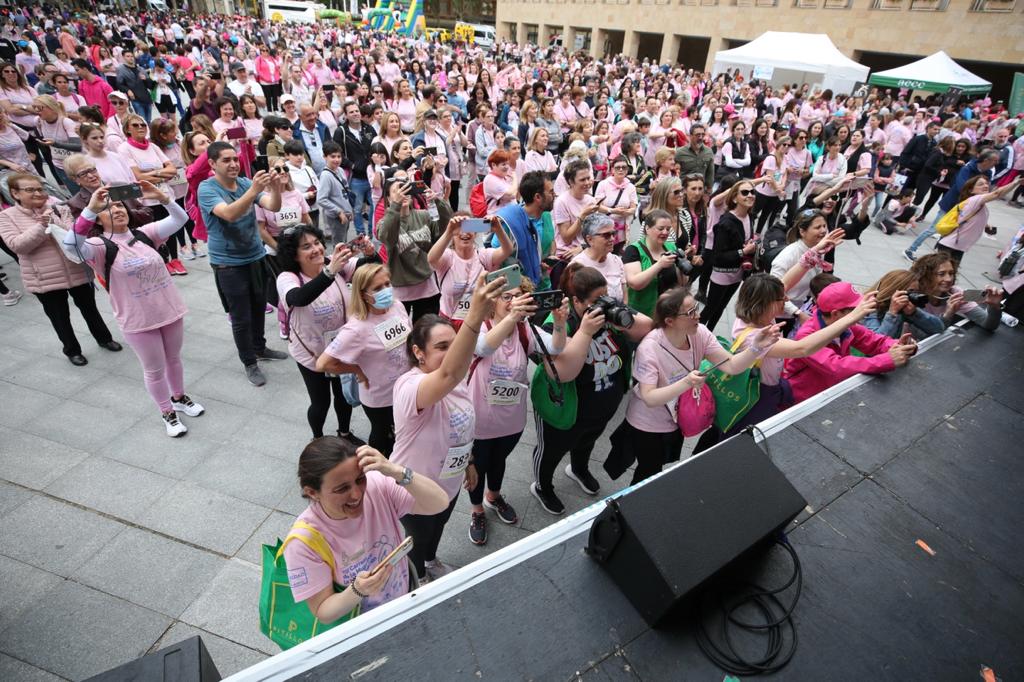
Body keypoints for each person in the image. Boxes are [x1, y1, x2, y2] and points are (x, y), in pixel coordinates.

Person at [64, 182, 203, 437]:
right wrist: (90, 210)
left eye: (119, 205)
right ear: (99, 217)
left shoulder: (145, 233)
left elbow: (181, 218)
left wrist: (163, 197)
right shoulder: (97, 246)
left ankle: (180, 398)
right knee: (154, 369)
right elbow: (71, 245)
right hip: (137, 320)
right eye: (108, 208)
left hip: (169, 311)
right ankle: (166, 412)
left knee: (174, 359)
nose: (116, 210)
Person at [390, 275, 505, 580]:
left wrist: (467, 462)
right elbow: (449, 374)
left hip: (449, 482)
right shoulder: (409, 386)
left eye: (454, 346)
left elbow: (462, 428)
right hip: (414, 492)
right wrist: (475, 317)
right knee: (415, 543)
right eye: (442, 347)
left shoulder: (458, 381)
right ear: (418, 353)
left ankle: (430, 563)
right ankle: (416, 581)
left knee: (437, 531)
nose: (452, 353)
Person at [605, 286, 783, 483]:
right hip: (647, 423)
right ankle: (629, 508)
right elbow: (649, 397)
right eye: (690, 312)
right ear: (670, 321)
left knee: (656, 469)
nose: (697, 315)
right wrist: (687, 382)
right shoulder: (649, 349)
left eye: (696, 308)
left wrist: (757, 346)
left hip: (675, 418)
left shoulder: (700, 333)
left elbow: (731, 365)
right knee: (648, 471)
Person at [694, 275, 881, 452]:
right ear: (766, 304)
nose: (786, 301)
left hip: (762, 390)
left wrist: (811, 254)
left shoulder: (756, 318)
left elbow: (782, 285)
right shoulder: (756, 336)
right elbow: (802, 349)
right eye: (781, 299)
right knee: (737, 441)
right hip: (755, 398)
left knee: (723, 433)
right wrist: (852, 317)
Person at [530, 264, 654, 515]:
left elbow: (647, 326)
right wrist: (586, 331)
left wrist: (619, 313)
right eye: (597, 301)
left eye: (606, 297)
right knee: (551, 450)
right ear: (577, 301)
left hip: (601, 406)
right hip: (564, 410)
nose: (604, 306)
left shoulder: (609, 314)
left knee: (587, 441)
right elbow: (565, 372)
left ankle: (578, 468)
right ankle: (542, 486)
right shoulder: (558, 322)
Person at [284, 438, 449, 620]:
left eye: (360, 479)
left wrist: (396, 471)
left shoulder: (376, 485)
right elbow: (323, 612)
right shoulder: (302, 543)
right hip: (363, 627)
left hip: (403, 599)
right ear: (312, 492)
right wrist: (358, 590)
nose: (356, 494)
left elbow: (439, 502)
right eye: (342, 489)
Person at [467, 281, 568, 544]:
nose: (513, 301)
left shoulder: (526, 331)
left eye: (519, 297)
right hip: (480, 419)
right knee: (479, 464)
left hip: (511, 419)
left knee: (499, 460)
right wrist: (512, 317)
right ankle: (477, 510)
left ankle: (494, 496)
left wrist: (559, 322)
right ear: (492, 301)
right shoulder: (478, 327)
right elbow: (484, 347)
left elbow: (556, 347)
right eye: (506, 297)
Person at [0, 173, 122, 365]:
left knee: (90, 308)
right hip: (44, 278)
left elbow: (73, 234)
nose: (38, 193)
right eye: (30, 190)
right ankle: (72, 350)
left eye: (40, 188)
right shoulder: (6, 217)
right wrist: (41, 226)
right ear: (15, 193)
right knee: (59, 317)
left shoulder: (59, 207)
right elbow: (17, 246)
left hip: (75, 269)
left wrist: (53, 220)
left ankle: (104, 338)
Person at [198, 141, 290, 387]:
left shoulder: (246, 183)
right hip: (228, 264)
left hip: (256, 256)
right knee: (240, 316)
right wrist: (253, 191)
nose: (233, 164)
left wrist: (275, 188)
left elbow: (273, 206)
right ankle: (249, 362)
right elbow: (229, 213)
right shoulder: (207, 189)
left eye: (235, 159)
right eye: (226, 160)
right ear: (212, 164)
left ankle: (259, 348)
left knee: (259, 306)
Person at [276, 224, 375, 441]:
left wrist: (370, 254)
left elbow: (371, 269)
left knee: (342, 395)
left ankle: (344, 432)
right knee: (321, 402)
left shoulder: (332, 263)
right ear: (294, 255)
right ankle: (318, 439)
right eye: (306, 247)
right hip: (311, 354)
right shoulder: (288, 278)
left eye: (317, 243)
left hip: (340, 349)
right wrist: (330, 272)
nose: (316, 249)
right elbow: (298, 298)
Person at [317, 263, 410, 455]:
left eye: (387, 284)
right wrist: (356, 370)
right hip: (381, 397)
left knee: (403, 432)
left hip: (406, 387)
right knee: (382, 434)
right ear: (363, 294)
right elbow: (323, 363)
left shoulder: (398, 306)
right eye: (377, 288)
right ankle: (374, 471)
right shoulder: (356, 329)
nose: (386, 291)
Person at [784, 281, 917, 404]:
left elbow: (874, 341)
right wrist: (887, 360)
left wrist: (899, 346)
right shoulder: (806, 336)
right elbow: (837, 367)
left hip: (827, 393)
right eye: (855, 310)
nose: (860, 314)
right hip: (801, 401)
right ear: (836, 313)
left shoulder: (846, 325)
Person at [375, 177, 453, 321]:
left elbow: (445, 227)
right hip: (400, 287)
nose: (403, 194)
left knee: (425, 333)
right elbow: (386, 235)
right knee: (402, 333)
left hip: (427, 286)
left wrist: (437, 201)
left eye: (406, 189)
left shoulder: (423, 215)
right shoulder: (385, 221)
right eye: (397, 191)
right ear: (388, 197)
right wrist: (395, 207)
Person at [427, 215, 513, 325]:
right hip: (449, 321)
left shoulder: (483, 255)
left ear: (475, 233)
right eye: (460, 228)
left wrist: (498, 228)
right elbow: (431, 259)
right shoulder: (448, 257)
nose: (465, 233)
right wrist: (449, 232)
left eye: (470, 227)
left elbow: (507, 250)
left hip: (479, 322)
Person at [771, 210, 845, 324]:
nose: (823, 230)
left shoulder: (819, 250)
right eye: (818, 227)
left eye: (824, 226)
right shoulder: (789, 255)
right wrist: (797, 313)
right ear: (802, 231)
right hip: (778, 315)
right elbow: (772, 291)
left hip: (799, 311)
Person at [701, 180, 757, 332]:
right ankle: (694, 335)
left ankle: (708, 335)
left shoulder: (749, 217)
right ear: (734, 198)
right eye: (745, 192)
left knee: (721, 307)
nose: (750, 195)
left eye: (752, 192)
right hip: (722, 274)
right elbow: (719, 257)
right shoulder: (726, 223)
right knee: (711, 308)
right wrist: (744, 252)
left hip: (738, 273)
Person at [934, 175, 1020, 264]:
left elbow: (968, 219)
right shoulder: (975, 200)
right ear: (971, 190)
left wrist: (986, 225)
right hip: (950, 246)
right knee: (942, 274)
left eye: (986, 183)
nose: (986, 186)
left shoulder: (978, 204)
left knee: (946, 274)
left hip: (956, 246)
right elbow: (997, 194)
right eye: (980, 184)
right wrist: (1015, 182)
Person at [910, 252, 1001, 331]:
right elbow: (922, 335)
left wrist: (994, 307)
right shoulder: (913, 298)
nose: (949, 279)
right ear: (926, 276)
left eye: (951, 273)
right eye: (941, 274)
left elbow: (988, 325)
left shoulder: (955, 293)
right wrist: (947, 315)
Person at [494, 170, 555, 287]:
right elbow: (498, 256)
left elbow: (551, 242)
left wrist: (545, 261)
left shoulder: (546, 215)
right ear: (537, 197)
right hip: (519, 291)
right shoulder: (510, 221)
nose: (554, 195)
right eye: (551, 192)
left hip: (544, 285)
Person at [862, 270, 945, 340]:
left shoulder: (904, 306)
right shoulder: (870, 305)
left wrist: (914, 313)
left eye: (916, 292)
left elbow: (939, 329)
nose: (913, 295)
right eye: (910, 291)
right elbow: (875, 343)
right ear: (893, 291)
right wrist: (892, 313)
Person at [334, 100, 376, 237]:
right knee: (357, 209)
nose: (355, 114)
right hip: (355, 178)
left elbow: (377, 146)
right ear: (345, 115)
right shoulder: (341, 132)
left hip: (371, 176)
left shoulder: (369, 129)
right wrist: (351, 165)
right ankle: (361, 236)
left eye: (356, 111)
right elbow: (337, 153)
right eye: (351, 112)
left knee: (374, 207)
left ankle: (372, 232)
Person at [552, 159, 603, 259]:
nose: (587, 183)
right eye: (582, 180)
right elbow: (566, 238)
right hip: (567, 253)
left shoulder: (591, 200)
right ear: (571, 182)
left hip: (586, 249)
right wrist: (583, 216)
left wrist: (583, 247)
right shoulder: (561, 202)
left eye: (588, 178)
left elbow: (594, 232)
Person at [571, 213, 627, 302]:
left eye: (613, 233)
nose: (612, 238)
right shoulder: (578, 265)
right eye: (606, 235)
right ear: (590, 239)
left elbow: (625, 297)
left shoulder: (616, 260)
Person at [316, 140, 354, 246]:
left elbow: (345, 192)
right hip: (336, 217)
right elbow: (321, 199)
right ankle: (339, 262)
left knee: (344, 242)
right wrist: (338, 211)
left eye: (339, 156)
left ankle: (345, 262)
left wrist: (349, 209)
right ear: (325, 157)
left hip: (345, 213)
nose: (337, 159)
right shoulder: (326, 176)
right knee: (339, 245)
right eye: (333, 156)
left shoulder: (340, 170)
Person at [675, 122, 714, 189]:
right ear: (690, 136)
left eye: (703, 135)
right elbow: (674, 173)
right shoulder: (680, 152)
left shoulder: (708, 151)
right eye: (698, 135)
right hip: (684, 190)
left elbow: (710, 173)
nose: (701, 137)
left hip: (701, 190)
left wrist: (709, 188)